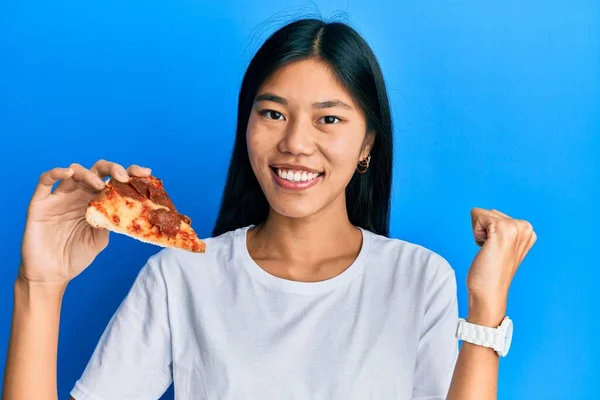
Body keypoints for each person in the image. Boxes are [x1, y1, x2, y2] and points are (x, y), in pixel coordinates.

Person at [3, 18, 536, 400]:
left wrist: (486, 307)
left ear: (368, 142)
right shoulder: (182, 274)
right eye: (274, 113)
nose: (296, 144)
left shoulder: (419, 279)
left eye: (329, 119)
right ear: (248, 126)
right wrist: (40, 286)